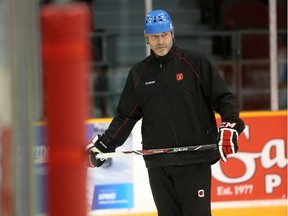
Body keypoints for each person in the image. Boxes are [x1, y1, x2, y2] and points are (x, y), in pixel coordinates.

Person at [86, 9, 245, 216]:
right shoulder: (139, 73)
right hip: (159, 165)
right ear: (147, 38)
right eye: (154, 36)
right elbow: (126, 117)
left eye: (164, 35)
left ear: (172, 34)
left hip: (195, 162)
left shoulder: (195, 62)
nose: (160, 41)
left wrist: (230, 125)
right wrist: (104, 145)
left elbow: (224, 98)